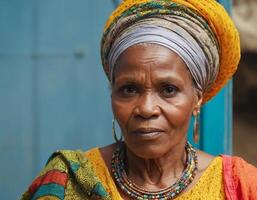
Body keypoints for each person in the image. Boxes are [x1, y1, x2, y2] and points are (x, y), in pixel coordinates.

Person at [21, 0, 257, 199]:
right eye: (129, 89)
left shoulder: (239, 186)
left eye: (168, 90)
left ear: (197, 98)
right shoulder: (66, 182)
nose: (146, 108)